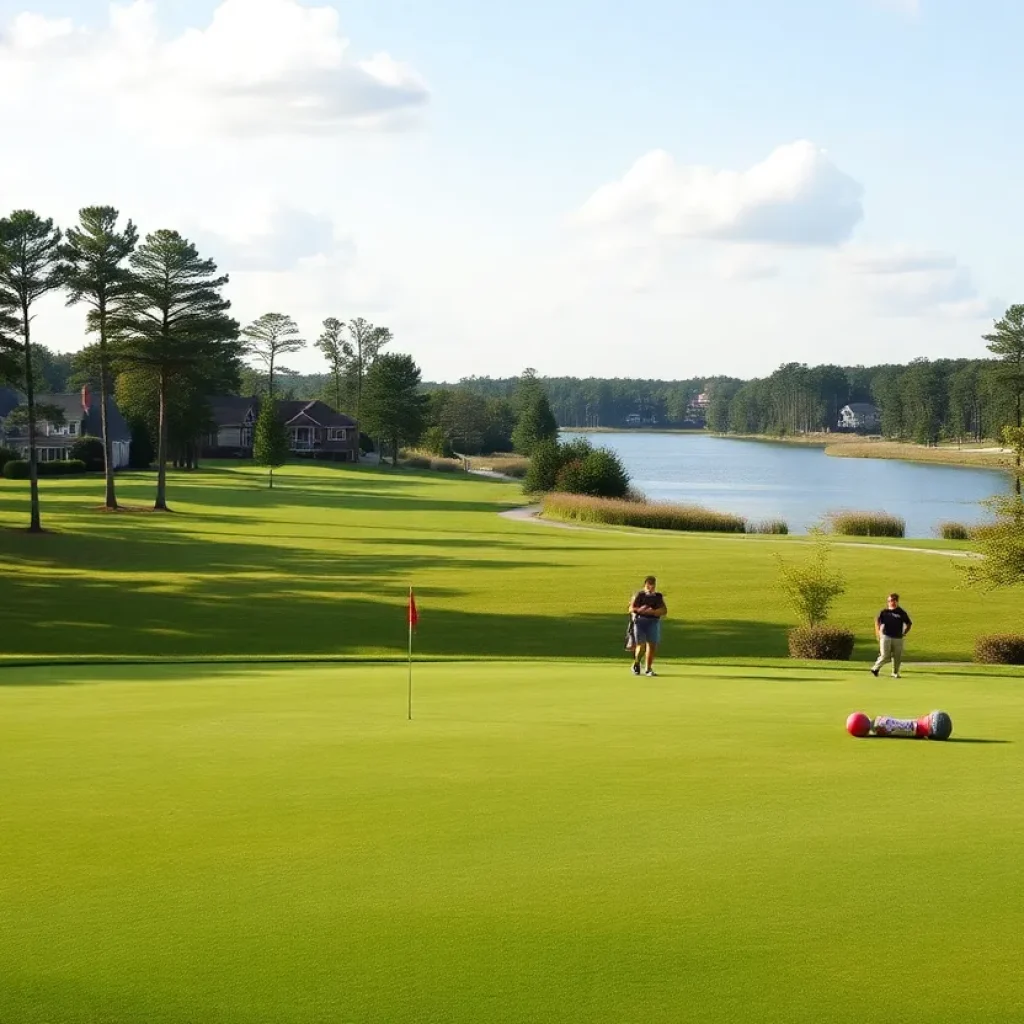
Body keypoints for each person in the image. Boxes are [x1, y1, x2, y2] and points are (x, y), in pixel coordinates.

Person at [629, 576, 667, 676]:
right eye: (649, 585)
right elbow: (631, 608)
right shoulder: (639, 595)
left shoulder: (658, 596)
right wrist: (640, 610)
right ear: (645, 585)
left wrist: (653, 612)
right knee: (641, 646)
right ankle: (636, 662)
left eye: (653, 585)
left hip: (653, 622)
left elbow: (664, 610)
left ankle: (648, 669)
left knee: (652, 645)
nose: (651, 587)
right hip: (639, 622)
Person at [871, 592, 912, 678]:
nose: (891, 602)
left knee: (897, 656)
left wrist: (904, 632)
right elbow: (878, 622)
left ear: (896, 601)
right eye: (889, 601)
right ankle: (875, 668)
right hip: (886, 636)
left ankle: (895, 672)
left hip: (898, 638)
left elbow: (909, 623)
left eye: (893, 601)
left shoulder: (901, 612)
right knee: (885, 656)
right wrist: (878, 633)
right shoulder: (884, 612)